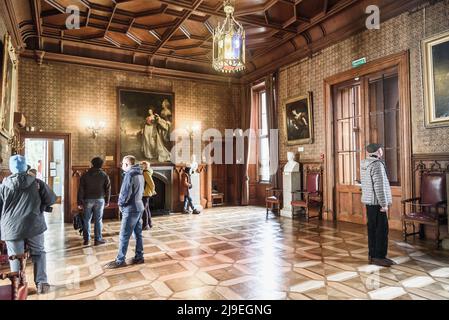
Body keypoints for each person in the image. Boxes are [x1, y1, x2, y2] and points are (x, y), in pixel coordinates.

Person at [0, 155, 56, 294]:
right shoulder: (37, 183)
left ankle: (18, 285)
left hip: (11, 227)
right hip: (34, 224)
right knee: (39, 253)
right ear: (26, 167)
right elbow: (51, 199)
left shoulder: (3, 186)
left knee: (15, 256)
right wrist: (40, 206)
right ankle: (42, 283)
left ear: (11, 169)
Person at [105, 155, 145, 269]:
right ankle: (139, 257)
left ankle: (120, 260)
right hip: (139, 206)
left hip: (131, 208)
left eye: (123, 163)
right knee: (138, 234)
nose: (121, 165)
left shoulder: (129, 174)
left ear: (127, 164)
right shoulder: (140, 173)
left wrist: (120, 204)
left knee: (124, 235)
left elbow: (125, 192)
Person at [360, 143, 395, 267]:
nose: (382, 150)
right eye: (381, 149)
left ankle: (372, 255)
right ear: (378, 151)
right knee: (382, 230)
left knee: (372, 229)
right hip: (377, 203)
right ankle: (379, 257)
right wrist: (384, 204)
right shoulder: (377, 165)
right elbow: (379, 187)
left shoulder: (364, 163)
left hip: (369, 202)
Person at [77, 157, 111, 246]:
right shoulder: (104, 175)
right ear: (101, 165)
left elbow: (81, 189)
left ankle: (86, 239)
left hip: (87, 200)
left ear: (92, 164)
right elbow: (108, 189)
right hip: (100, 200)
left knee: (86, 220)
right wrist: (107, 201)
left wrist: (79, 202)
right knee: (98, 220)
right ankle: (98, 239)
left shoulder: (85, 175)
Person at [141, 161, 156, 230]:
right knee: (146, 208)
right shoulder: (146, 172)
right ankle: (149, 223)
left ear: (145, 166)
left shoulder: (145, 173)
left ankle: (145, 225)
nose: (141, 166)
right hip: (146, 193)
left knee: (144, 209)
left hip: (145, 193)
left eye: (142, 165)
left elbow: (152, 184)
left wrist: (153, 191)